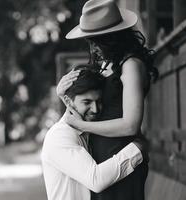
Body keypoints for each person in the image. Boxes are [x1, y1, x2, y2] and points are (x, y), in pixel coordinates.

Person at [57, 0, 158, 200]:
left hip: (122, 156)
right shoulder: (105, 65)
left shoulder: (131, 65)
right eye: (90, 41)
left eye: (97, 41)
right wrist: (62, 94)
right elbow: (86, 104)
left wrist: (82, 125)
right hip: (98, 161)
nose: (93, 47)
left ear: (112, 38)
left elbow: (130, 125)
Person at [41, 68, 145, 200]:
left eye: (99, 101)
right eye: (87, 102)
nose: (95, 109)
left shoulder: (86, 131)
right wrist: (137, 148)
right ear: (68, 101)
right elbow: (96, 179)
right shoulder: (59, 135)